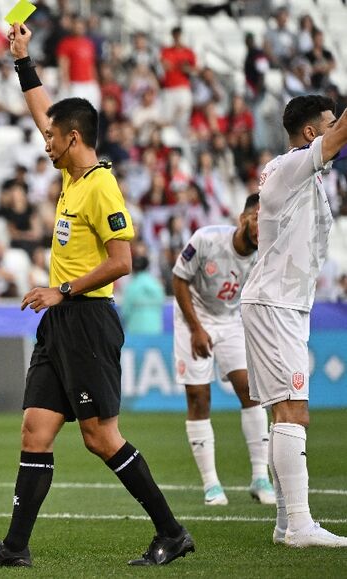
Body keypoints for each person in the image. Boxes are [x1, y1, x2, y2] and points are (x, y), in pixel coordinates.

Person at [0, 23, 194, 569]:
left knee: (99, 436)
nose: (45, 140)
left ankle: (172, 531)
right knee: (35, 430)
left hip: (86, 319)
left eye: (53, 136)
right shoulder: (72, 174)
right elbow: (45, 112)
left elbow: (121, 262)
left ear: (74, 138)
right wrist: (23, 62)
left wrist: (61, 290)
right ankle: (15, 548)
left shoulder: (101, 185)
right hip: (60, 324)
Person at [240, 95, 347, 548]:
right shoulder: (292, 166)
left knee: (283, 410)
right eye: (327, 122)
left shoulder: (300, 173)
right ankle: (301, 525)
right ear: (310, 133)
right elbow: (341, 136)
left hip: (282, 302)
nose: (333, 129)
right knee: (293, 410)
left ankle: (286, 522)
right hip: (275, 302)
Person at [171, 194, 275, 506]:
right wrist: (196, 329)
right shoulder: (206, 239)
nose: (262, 229)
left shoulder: (266, 256)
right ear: (244, 218)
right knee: (198, 396)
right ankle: (211, 485)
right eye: (258, 219)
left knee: (250, 390)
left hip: (230, 319)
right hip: (193, 315)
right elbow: (178, 280)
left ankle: (260, 478)